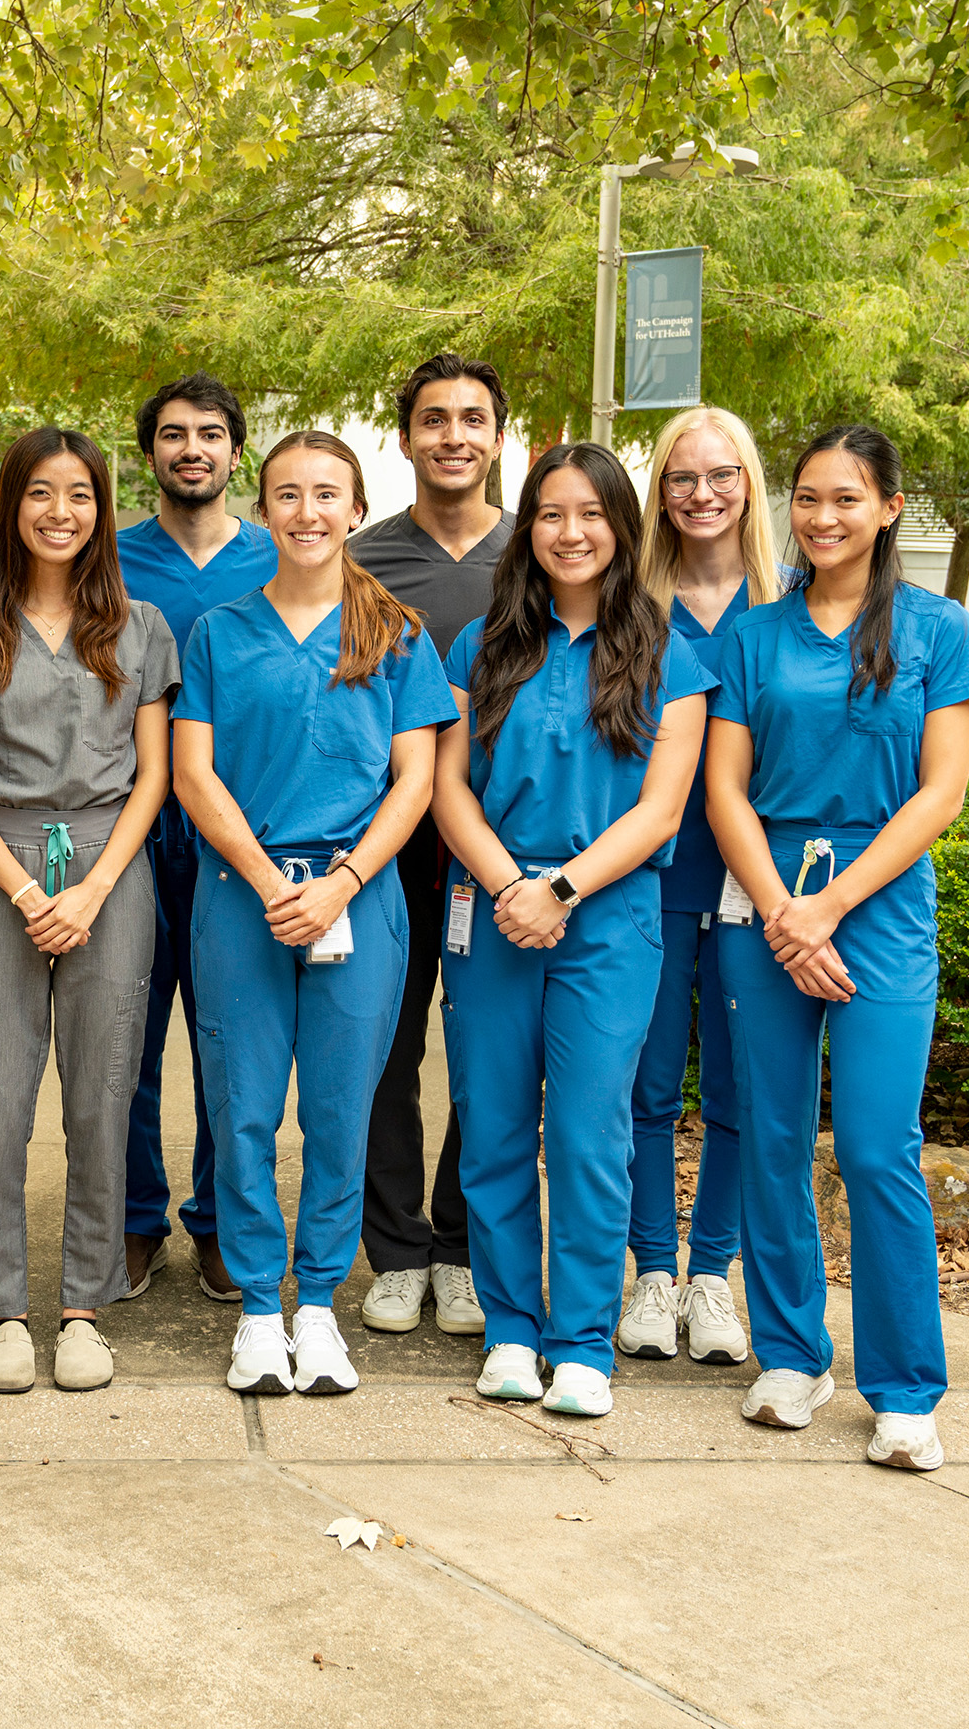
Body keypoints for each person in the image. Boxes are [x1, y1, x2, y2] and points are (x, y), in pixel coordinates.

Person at [707, 424, 969, 1471]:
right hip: (767, 896)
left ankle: (906, 1385)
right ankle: (790, 1354)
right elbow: (723, 789)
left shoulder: (938, 630)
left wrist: (825, 913)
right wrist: (786, 908)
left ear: (890, 508)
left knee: (878, 1147)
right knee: (770, 1138)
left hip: (877, 906)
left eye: (845, 499)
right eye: (807, 498)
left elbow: (942, 792)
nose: (821, 517)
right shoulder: (754, 634)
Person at [433, 442, 711, 1418]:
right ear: (527, 528)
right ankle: (512, 1330)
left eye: (591, 514)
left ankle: (582, 1341)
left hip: (609, 916)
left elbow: (661, 811)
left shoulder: (670, 652)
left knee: (591, 1134)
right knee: (495, 1127)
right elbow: (447, 788)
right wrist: (514, 883)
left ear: (622, 528)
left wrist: (560, 888)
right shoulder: (481, 646)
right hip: (493, 908)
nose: (571, 532)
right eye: (551, 513)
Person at [175, 430, 455, 1397]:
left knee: (342, 1113)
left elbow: (415, 778)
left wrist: (339, 883)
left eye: (326, 494)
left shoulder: (398, 633)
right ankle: (259, 1306)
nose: (306, 512)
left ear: (354, 509)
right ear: (265, 510)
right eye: (287, 494)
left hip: (358, 896)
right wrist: (264, 880)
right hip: (241, 896)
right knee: (242, 1109)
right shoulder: (218, 632)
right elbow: (194, 774)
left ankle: (321, 1305)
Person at [0, 426, 176, 1394]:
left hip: (111, 866)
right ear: (10, 504)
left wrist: (93, 888)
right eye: (40, 493)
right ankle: (0, 1311)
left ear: (102, 509)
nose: (60, 512)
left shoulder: (140, 626)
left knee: (102, 1087)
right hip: (0, 865)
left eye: (79, 494)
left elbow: (154, 775)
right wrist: (31, 889)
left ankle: (83, 1305)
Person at [346, 352, 513, 1338]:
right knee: (385, 1051)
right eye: (434, 420)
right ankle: (396, 1249)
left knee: (489, 1057)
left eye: (473, 419)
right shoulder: (363, 561)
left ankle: (459, 1243)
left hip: (503, 852)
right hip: (395, 845)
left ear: (499, 436)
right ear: (407, 436)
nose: (454, 436)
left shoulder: (537, 555)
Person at [615, 406, 781, 1367]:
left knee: (739, 1083)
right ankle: (650, 1269)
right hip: (652, 872)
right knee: (643, 1083)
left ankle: (710, 1273)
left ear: (749, 484)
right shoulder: (630, 605)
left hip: (756, 881)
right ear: (658, 491)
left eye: (722, 475)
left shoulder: (793, 603)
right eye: (682, 476)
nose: (702, 493)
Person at [116, 372, 276, 1306]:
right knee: (127, 1041)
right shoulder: (114, 558)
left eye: (210, 433)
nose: (192, 449)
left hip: (235, 835)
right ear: (151, 455)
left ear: (234, 449)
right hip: (133, 833)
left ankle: (220, 1222)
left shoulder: (274, 558)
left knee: (230, 1041)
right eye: (173, 434)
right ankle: (136, 1219)